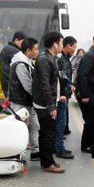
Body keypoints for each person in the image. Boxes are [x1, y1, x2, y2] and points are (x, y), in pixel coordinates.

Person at [33, 31, 65, 173]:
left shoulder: (48, 58)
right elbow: (45, 84)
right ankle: (47, 164)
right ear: (55, 44)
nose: (62, 46)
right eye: (62, 43)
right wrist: (51, 106)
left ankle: (47, 160)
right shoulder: (45, 59)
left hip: (48, 102)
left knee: (47, 133)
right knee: (48, 134)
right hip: (45, 105)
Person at [8, 37, 41, 162]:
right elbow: (28, 86)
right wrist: (40, 98)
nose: (37, 52)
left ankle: (35, 151)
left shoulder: (26, 62)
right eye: (36, 49)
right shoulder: (21, 65)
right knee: (19, 129)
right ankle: (16, 155)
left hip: (27, 102)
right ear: (28, 50)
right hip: (20, 103)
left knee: (34, 126)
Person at [55, 36, 77, 159]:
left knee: (61, 123)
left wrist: (70, 86)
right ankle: (59, 149)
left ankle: (58, 147)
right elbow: (60, 78)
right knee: (60, 123)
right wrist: (68, 86)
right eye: (74, 47)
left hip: (65, 94)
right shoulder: (60, 59)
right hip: (61, 96)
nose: (74, 50)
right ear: (68, 46)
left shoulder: (66, 58)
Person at [0, 31, 27, 97]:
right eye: (23, 42)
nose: (25, 45)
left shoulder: (10, 48)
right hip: (11, 85)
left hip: (8, 84)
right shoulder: (12, 50)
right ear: (16, 40)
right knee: (14, 105)